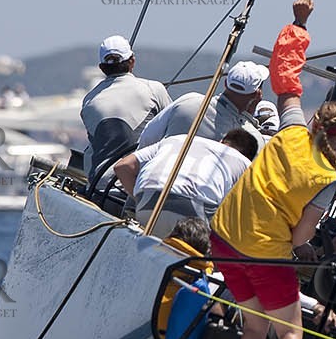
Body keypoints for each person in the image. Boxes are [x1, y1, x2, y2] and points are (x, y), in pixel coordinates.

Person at [209, 0, 336, 339]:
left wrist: (298, 24)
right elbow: (296, 241)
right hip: (263, 253)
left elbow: (285, 79)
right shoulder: (326, 178)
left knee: (255, 325)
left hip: (223, 239)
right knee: (290, 332)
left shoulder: (292, 129)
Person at [111, 127, 260, 224]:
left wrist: (140, 201)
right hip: (193, 215)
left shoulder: (179, 138)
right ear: (248, 156)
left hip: (146, 204)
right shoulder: (244, 164)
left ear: (221, 141)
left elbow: (123, 167)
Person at [137, 61, 269, 148]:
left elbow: (147, 138)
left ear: (225, 84)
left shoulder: (188, 101)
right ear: (258, 94)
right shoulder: (248, 136)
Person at [80, 35, 171, 154]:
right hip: (141, 170)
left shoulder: (88, 101)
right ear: (132, 61)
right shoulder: (153, 89)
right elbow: (173, 128)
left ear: (102, 68)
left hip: (100, 171)